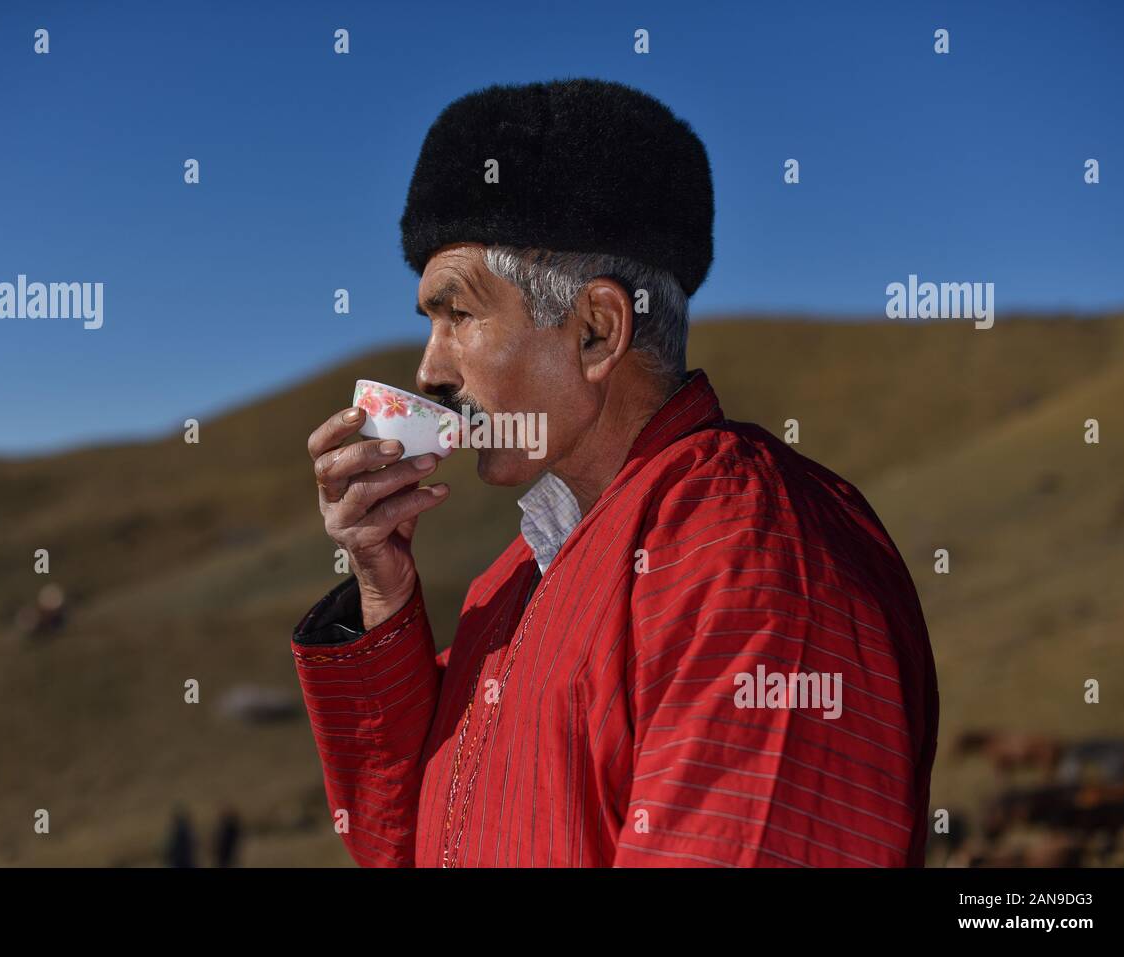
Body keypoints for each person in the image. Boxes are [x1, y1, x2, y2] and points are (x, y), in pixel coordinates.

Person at [292, 78, 938, 867]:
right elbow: (408, 844)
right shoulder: (517, 578)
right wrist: (383, 592)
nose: (428, 368)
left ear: (596, 330)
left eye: (458, 313)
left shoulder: (747, 558)